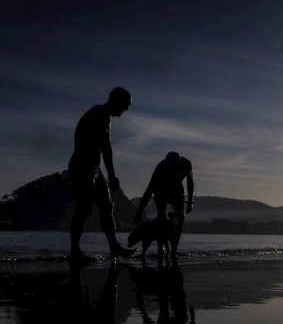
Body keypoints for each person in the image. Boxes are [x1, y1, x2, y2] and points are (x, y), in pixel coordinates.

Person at [68, 87, 137, 261]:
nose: (126, 109)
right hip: (83, 166)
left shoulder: (102, 115)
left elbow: (103, 147)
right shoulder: (101, 113)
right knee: (83, 209)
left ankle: (114, 247)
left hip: (93, 168)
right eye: (126, 104)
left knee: (107, 207)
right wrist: (112, 175)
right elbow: (106, 147)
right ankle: (75, 252)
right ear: (116, 100)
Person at [134, 152, 194, 257]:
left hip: (177, 188)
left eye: (173, 167)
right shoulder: (161, 168)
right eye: (169, 167)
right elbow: (149, 191)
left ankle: (174, 248)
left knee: (179, 218)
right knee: (161, 217)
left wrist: (190, 201)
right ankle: (160, 247)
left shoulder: (186, 164)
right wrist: (139, 212)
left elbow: (190, 183)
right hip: (161, 189)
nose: (171, 169)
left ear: (178, 164)